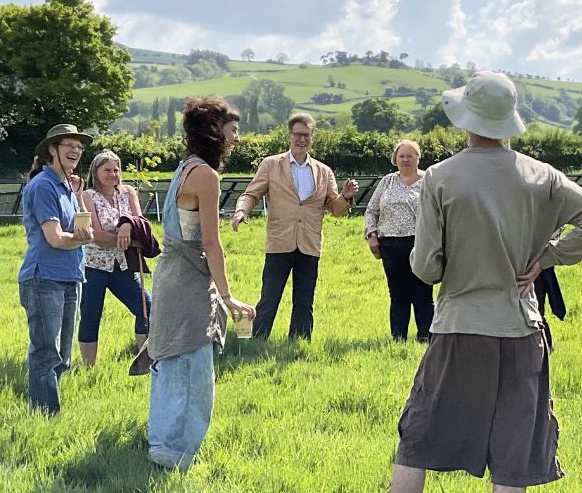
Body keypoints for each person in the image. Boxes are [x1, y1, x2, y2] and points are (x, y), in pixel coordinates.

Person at [381, 72, 582, 493]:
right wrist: (548, 256)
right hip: (519, 325)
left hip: (457, 325)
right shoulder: (541, 175)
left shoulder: (440, 178)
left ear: (464, 116)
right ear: (508, 120)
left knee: (420, 433)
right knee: (516, 442)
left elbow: (425, 269)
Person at [147, 97, 256, 471]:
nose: (237, 138)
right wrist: (227, 296)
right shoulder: (206, 176)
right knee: (192, 368)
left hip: (171, 276)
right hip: (189, 283)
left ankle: (161, 441)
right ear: (215, 131)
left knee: (172, 363)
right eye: (233, 130)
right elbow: (211, 242)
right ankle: (174, 452)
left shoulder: (184, 169)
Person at [231, 113, 359, 341]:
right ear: (289, 137)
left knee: (304, 300)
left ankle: (299, 342)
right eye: (298, 135)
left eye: (306, 135)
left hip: (309, 244)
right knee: (269, 297)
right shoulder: (271, 164)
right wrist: (241, 210)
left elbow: (335, 208)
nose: (302, 139)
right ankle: (257, 341)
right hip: (280, 242)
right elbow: (251, 193)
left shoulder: (323, 171)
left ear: (312, 138)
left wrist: (346, 197)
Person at [17, 124, 95, 416]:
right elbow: (55, 238)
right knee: (46, 353)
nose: (76, 150)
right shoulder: (42, 185)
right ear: (52, 149)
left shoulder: (68, 187)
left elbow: (75, 230)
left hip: (71, 276)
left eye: (79, 146)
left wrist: (77, 195)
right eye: (68, 145)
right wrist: (79, 238)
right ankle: (44, 415)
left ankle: (48, 412)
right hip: (44, 278)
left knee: (62, 355)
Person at [77, 150, 151, 366]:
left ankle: (144, 358)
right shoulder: (87, 196)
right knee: (91, 315)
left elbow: (141, 223)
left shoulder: (128, 193)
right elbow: (97, 235)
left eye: (116, 170)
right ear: (96, 172)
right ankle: (89, 367)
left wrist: (128, 225)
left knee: (147, 307)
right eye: (107, 170)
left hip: (123, 265)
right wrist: (126, 239)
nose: (112, 174)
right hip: (94, 265)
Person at [364, 139, 434, 342]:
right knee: (397, 294)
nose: (405, 160)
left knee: (422, 292)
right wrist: (371, 235)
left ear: (418, 158)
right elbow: (371, 211)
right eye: (401, 156)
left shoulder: (429, 180)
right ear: (395, 159)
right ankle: (398, 338)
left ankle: (425, 337)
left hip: (421, 244)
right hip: (391, 246)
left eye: (410, 156)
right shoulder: (387, 181)